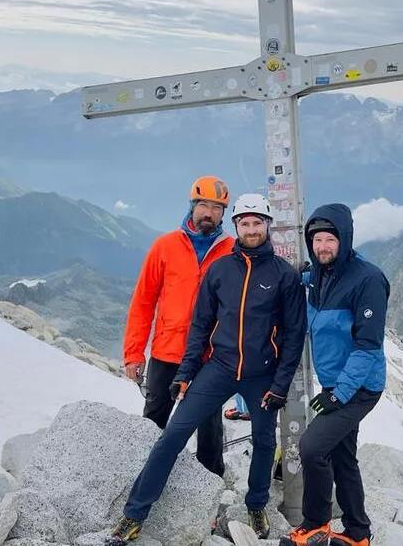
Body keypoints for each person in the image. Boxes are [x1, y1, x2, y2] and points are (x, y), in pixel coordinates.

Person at [107, 193, 307, 545]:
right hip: (219, 367)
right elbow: (201, 326)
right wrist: (185, 373)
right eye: (244, 223)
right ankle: (134, 513)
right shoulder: (219, 270)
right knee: (173, 434)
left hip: (262, 374)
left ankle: (256, 504)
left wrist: (280, 383)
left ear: (268, 226)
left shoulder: (283, 276)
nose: (251, 229)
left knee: (263, 441)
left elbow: (293, 336)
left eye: (257, 222)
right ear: (236, 227)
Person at [281, 203, 389, 546]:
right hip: (335, 383)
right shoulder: (318, 277)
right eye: (316, 240)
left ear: (345, 239)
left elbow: (367, 347)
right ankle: (358, 533)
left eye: (330, 239)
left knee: (313, 448)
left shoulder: (368, 280)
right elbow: (301, 282)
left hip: (359, 386)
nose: (322, 246)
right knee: (343, 456)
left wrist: (338, 393)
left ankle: (315, 525)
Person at [122, 175, 234, 475]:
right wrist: (134, 352)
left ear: (224, 213)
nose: (208, 213)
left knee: (210, 429)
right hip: (166, 352)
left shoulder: (232, 252)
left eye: (216, 207)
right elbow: (143, 301)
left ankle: (210, 490)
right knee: (154, 422)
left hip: (210, 356)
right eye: (203, 205)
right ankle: (143, 479)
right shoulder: (165, 246)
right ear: (192, 206)